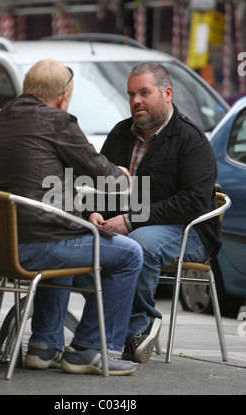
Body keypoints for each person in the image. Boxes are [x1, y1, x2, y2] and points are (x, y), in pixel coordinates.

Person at [0, 59, 143, 376]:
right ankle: (89, 349)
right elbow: (110, 181)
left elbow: (31, 181)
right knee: (130, 253)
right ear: (63, 97)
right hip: (35, 246)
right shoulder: (58, 122)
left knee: (63, 235)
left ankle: (44, 346)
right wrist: (122, 173)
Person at [85, 62, 222, 363]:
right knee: (83, 242)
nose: (136, 101)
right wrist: (94, 212)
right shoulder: (121, 134)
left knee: (140, 244)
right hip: (133, 224)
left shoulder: (190, 139)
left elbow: (193, 202)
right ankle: (91, 334)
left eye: (144, 92)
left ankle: (137, 328)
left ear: (167, 93)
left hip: (190, 230)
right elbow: (99, 184)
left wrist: (132, 219)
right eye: (131, 94)